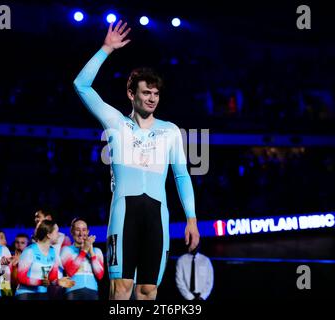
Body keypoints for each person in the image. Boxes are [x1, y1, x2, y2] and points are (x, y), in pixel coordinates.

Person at [73, 20, 200, 300]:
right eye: (146, 92)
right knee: (121, 289)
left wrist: (191, 219)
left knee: (148, 290)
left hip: (158, 215)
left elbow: (181, 175)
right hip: (124, 211)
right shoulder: (116, 123)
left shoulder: (169, 130)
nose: (152, 98)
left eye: (156, 93)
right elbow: (81, 86)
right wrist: (106, 49)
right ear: (132, 94)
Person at [15, 220, 75, 300]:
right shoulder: (29, 251)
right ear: (49, 235)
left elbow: (52, 278)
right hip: (25, 294)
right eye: (57, 232)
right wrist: (41, 282)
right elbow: (20, 277)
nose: (59, 235)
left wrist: (58, 282)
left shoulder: (53, 252)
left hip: (43, 294)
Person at [61, 218, 104, 300]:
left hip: (92, 291)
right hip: (73, 292)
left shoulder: (97, 251)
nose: (81, 233)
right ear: (72, 232)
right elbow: (70, 272)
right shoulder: (66, 250)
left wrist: (91, 252)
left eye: (84, 230)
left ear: (87, 232)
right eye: (77, 230)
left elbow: (100, 275)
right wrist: (84, 250)